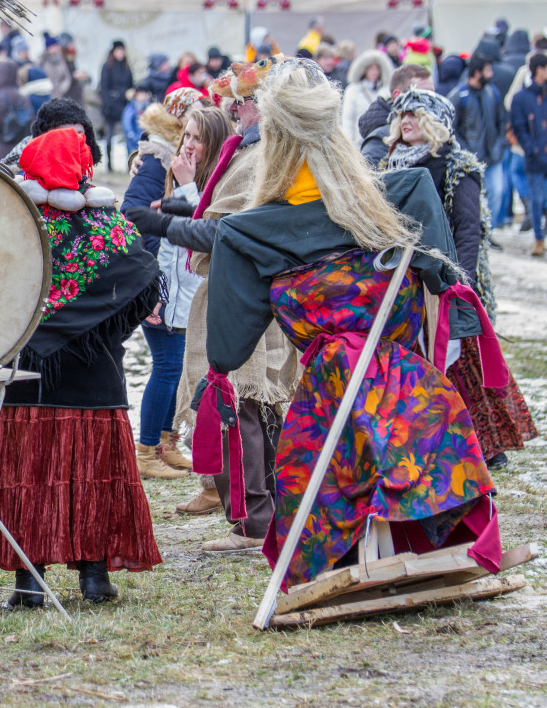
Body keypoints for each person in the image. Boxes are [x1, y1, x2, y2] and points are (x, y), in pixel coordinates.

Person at [202, 57, 504, 591]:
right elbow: (445, 279)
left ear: (271, 132)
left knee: (340, 451)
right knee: (402, 433)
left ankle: (365, 547)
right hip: (401, 393)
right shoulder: (400, 195)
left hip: (332, 407)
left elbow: (227, 349)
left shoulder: (248, 233)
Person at [0, 126, 162, 608]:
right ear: (84, 170)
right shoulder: (109, 225)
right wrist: (101, 331)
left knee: (25, 473)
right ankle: (95, 577)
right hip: (93, 377)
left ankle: (28, 582)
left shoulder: (10, 222)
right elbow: (144, 285)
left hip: (18, 375)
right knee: (93, 474)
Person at [125, 56, 301, 545]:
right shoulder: (256, 151)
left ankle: (255, 522)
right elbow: (221, 215)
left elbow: (227, 229)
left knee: (243, 406)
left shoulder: (261, 155)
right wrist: (182, 206)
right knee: (246, 405)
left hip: (244, 297)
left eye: (242, 103)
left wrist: (165, 220)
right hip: (242, 294)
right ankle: (261, 515)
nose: (236, 111)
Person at [383, 89, 536, 468]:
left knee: (459, 362)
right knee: (419, 361)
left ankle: (486, 445)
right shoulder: (390, 163)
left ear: (435, 122)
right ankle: (427, 440)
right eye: (402, 114)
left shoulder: (455, 164)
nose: (406, 121)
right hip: (405, 278)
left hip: (446, 279)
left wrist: (458, 281)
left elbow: (468, 227)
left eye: (416, 115)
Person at [125, 106, 234, 481]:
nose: (187, 144)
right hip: (163, 291)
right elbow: (136, 213)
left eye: (197, 138)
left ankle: (166, 443)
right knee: (169, 366)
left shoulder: (219, 176)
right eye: (185, 135)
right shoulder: (165, 167)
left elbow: (209, 224)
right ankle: (147, 449)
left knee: (181, 368)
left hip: (189, 290)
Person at [449, 57, 508, 228]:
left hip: (492, 156)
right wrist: (465, 151)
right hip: (471, 160)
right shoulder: (459, 95)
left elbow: (501, 120)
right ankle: (477, 234)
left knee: (497, 194)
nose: (491, 74)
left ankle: (489, 232)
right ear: (476, 73)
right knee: (474, 199)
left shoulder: (492, 92)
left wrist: (499, 144)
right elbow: (451, 128)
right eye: (488, 70)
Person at [359, 63, 433, 167]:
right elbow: (367, 180)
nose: (431, 100)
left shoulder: (432, 127)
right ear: (398, 96)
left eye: (432, 93)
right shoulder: (378, 141)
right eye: (421, 94)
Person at [510, 53, 547, 256]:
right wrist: (530, 148)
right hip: (534, 157)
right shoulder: (521, 98)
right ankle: (539, 239)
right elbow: (519, 126)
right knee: (537, 199)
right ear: (539, 69)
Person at [340, 50, 394, 147]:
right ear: (364, 70)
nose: (374, 72)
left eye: (377, 68)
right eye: (371, 69)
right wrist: (348, 145)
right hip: (358, 142)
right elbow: (348, 120)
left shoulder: (386, 91)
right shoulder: (353, 90)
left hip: (381, 142)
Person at [99, 41, 134, 168]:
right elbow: (104, 88)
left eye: (122, 50)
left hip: (124, 105)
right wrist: (108, 105)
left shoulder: (126, 67)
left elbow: (131, 85)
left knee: (127, 136)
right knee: (109, 136)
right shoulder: (107, 67)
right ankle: (109, 164)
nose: (121, 53)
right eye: (118, 50)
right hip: (111, 106)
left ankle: (128, 163)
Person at [120, 81, 151, 158]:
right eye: (141, 93)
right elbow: (127, 123)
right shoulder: (131, 107)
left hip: (147, 141)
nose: (143, 96)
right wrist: (132, 136)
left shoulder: (149, 106)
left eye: (145, 94)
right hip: (134, 142)